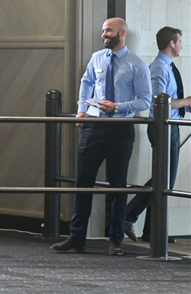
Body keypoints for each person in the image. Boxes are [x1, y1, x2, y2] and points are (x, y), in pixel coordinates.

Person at [52, 17, 151, 256]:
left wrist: (117, 107)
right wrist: (81, 110)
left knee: (118, 185)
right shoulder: (97, 58)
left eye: (108, 30)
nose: (103, 34)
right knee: (82, 182)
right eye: (103, 30)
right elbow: (86, 82)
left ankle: (116, 240)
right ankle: (77, 237)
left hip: (120, 130)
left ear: (122, 33)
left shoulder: (137, 64)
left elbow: (145, 100)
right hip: (93, 127)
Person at [124, 27, 190, 243]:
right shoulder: (159, 69)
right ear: (171, 43)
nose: (182, 45)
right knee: (164, 179)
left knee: (164, 179)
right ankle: (128, 215)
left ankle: (152, 230)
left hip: (171, 125)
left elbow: (171, 100)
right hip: (163, 127)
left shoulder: (168, 67)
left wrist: (186, 106)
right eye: (180, 41)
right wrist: (187, 102)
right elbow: (158, 102)